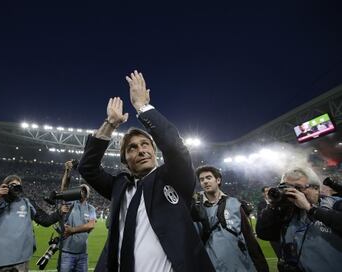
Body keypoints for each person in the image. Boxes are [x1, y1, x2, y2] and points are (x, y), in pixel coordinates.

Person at [78, 70, 214, 272]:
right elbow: (87, 168)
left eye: (145, 145)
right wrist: (110, 125)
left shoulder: (174, 177)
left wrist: (142, 107)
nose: (141, 150)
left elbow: (175, 148)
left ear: (154, 151)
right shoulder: (119, 186)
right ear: (125, 160)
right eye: (132, 147)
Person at [256, 166, 342, 272]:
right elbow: (263, 233)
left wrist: (310, 209)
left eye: (298, 188)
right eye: (286, 187)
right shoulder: (286, 212)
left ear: (315, 189)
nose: (293, 192)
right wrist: (273, 206)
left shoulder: (335, 204)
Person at [0, 174, 63, 271]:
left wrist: (60, 212)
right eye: (13, 185)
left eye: (18, 185)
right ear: (5, 187)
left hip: (19, 260)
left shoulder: (27, 203)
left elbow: (45, 221)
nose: (16, 187)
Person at [194, 165, 268, 272]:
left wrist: (261, 266)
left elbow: (248, 237)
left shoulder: (235, 204)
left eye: (208, 178)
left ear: (218, 180)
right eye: (202, 179)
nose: (205, 181)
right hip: (211, 265)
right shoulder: (194, 206)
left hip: (240, 264)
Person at [59, 184, 96, 272]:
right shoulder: (70, 204)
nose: (82, 191)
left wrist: (72, 230)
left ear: (88, 194)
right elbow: (64, 190)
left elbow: (91, 225)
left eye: (84, 190)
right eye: (80, 189)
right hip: (67, 253)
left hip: (83, 254)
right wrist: (67, 172)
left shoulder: (91, 209)